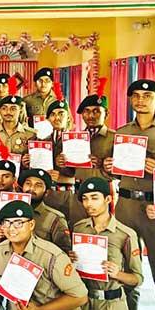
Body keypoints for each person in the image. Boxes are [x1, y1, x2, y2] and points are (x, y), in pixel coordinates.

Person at [103, 79, 155, 310]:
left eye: (147, 96)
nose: (141, 100)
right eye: (136, 96)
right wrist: (108, 167)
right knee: (123, 269)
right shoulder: (122, 132)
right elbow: (113, 173)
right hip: (125, 205)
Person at [0, 200, 88, 310]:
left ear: (31, 225)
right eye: (6, 223)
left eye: (18, 223)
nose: (11, 228)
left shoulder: (51, 256)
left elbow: (80, 297)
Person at [71, 177, 143, 310]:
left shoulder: (125, 234)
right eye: (85, 199)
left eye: (95, 198)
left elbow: (138, 279)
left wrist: (118, 274)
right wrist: (71, 260)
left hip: (113, 304)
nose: (89, 204)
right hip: (84, 302)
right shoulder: (79, 228)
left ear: (108, 199)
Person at [55, 82, 115, 225]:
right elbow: (70, 172)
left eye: (96, 111)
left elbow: (121, 173)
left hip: (102, 194)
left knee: (103, 231)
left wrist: (103, 165)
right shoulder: (74, 138)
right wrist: (62, 164)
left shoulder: (114, 137)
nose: (91, 115)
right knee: (79, 229)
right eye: (87, 111)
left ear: (106, 113)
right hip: (78, 193)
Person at [41, 89, 78, 219]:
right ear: (48, 119)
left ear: (68, 116)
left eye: (61, 113)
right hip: (48, 193)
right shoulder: (42, 142)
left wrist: (62, 178)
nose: (57, 117)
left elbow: (86, 171)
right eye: (53, 114)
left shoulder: (78, 140)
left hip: (70, 194)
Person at [19, 168, 71, 251]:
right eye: (28, 183)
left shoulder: (55, 218)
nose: (32, 188)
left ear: (46, 192)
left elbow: (63, 251)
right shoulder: (8, 211)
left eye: (38, 185)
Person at [0, 91, 35, 171]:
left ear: (20, 110)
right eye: (4, 108)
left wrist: (27, 163)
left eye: (13, 109)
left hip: (23, 178)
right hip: (0, 179)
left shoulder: (32, 134)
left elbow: (37, 164)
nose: (8, 112)